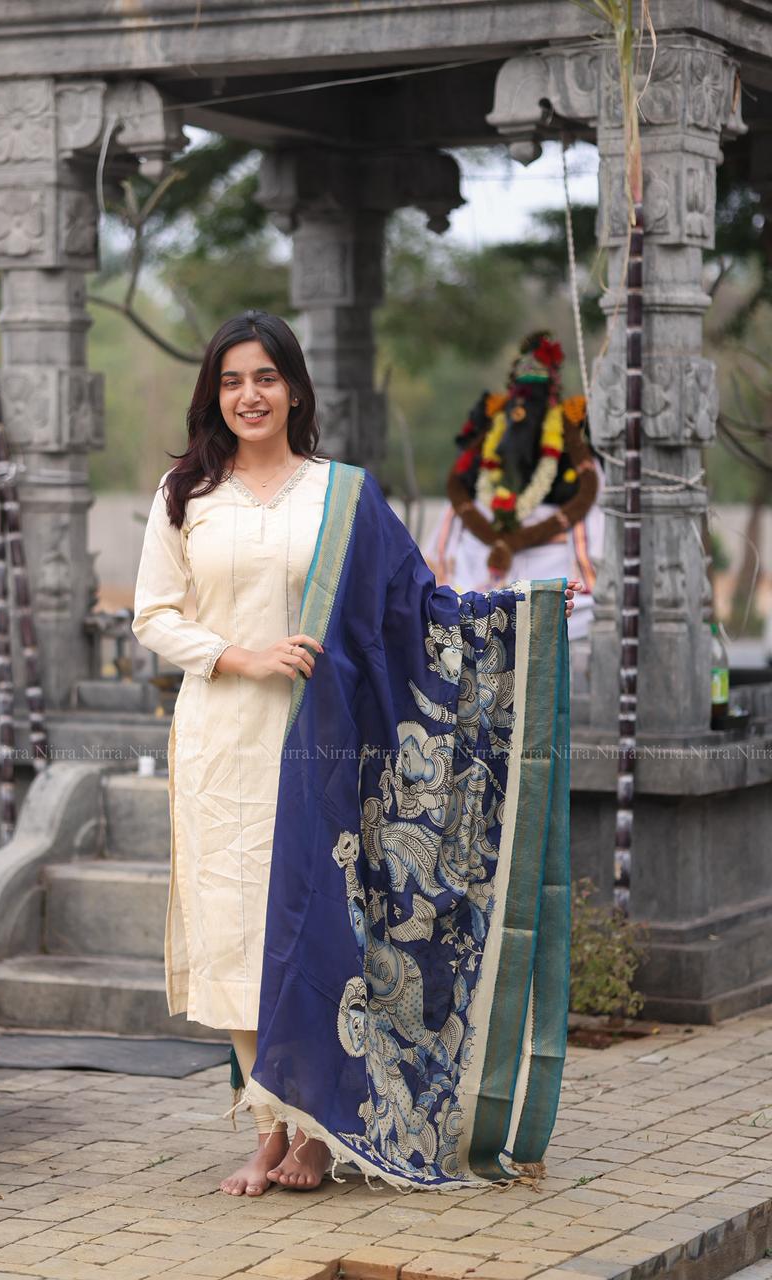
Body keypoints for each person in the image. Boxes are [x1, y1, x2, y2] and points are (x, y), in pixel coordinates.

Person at [132, 310, 582, 1197]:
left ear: (294, 388)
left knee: (303, 927)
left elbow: (415, 608)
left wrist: (522, 619)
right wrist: (240, 654)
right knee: (232, 935)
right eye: (231, 380)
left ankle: (312, 1134)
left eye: (264, 377)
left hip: (323, 748)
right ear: (213, 394)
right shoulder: (185, 493)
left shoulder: (342, 492)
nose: (248, 395)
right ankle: (274, 1127)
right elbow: (154, 616)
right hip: (223, 742)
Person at [424, 330, 602, 642]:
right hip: (478, 591)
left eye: (533, 398)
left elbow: (590, 496)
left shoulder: (570, 443)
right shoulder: (489, 436)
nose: (523, 411)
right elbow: (457, 491)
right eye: (520, 396)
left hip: (554, 594)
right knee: (449, 611)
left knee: (583, 611)